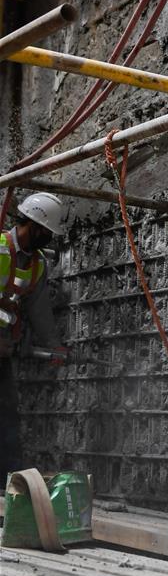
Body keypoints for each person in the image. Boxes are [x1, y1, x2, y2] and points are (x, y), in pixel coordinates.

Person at [0, 192, 67, 486]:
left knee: (7, 414)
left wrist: (55, 346)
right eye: (48, 232)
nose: (49, 239)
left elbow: (39, 310)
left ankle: (8, 485)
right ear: (35, 225)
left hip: (3, 351)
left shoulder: (38, 264)